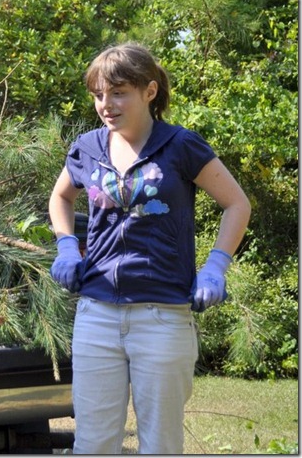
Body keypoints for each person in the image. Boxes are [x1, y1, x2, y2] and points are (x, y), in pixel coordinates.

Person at [48, 42, 251, 454]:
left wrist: (215, 267)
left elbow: (237, 204)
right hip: (96, 314)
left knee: (160, 444)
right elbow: (61, 197)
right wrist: (67, 245)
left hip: (163, 318)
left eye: (118, 92)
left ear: (149, 91)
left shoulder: (181, 145)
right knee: (92, 444)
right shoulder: (87, 147)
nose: (106, 105)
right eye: (99, 94)